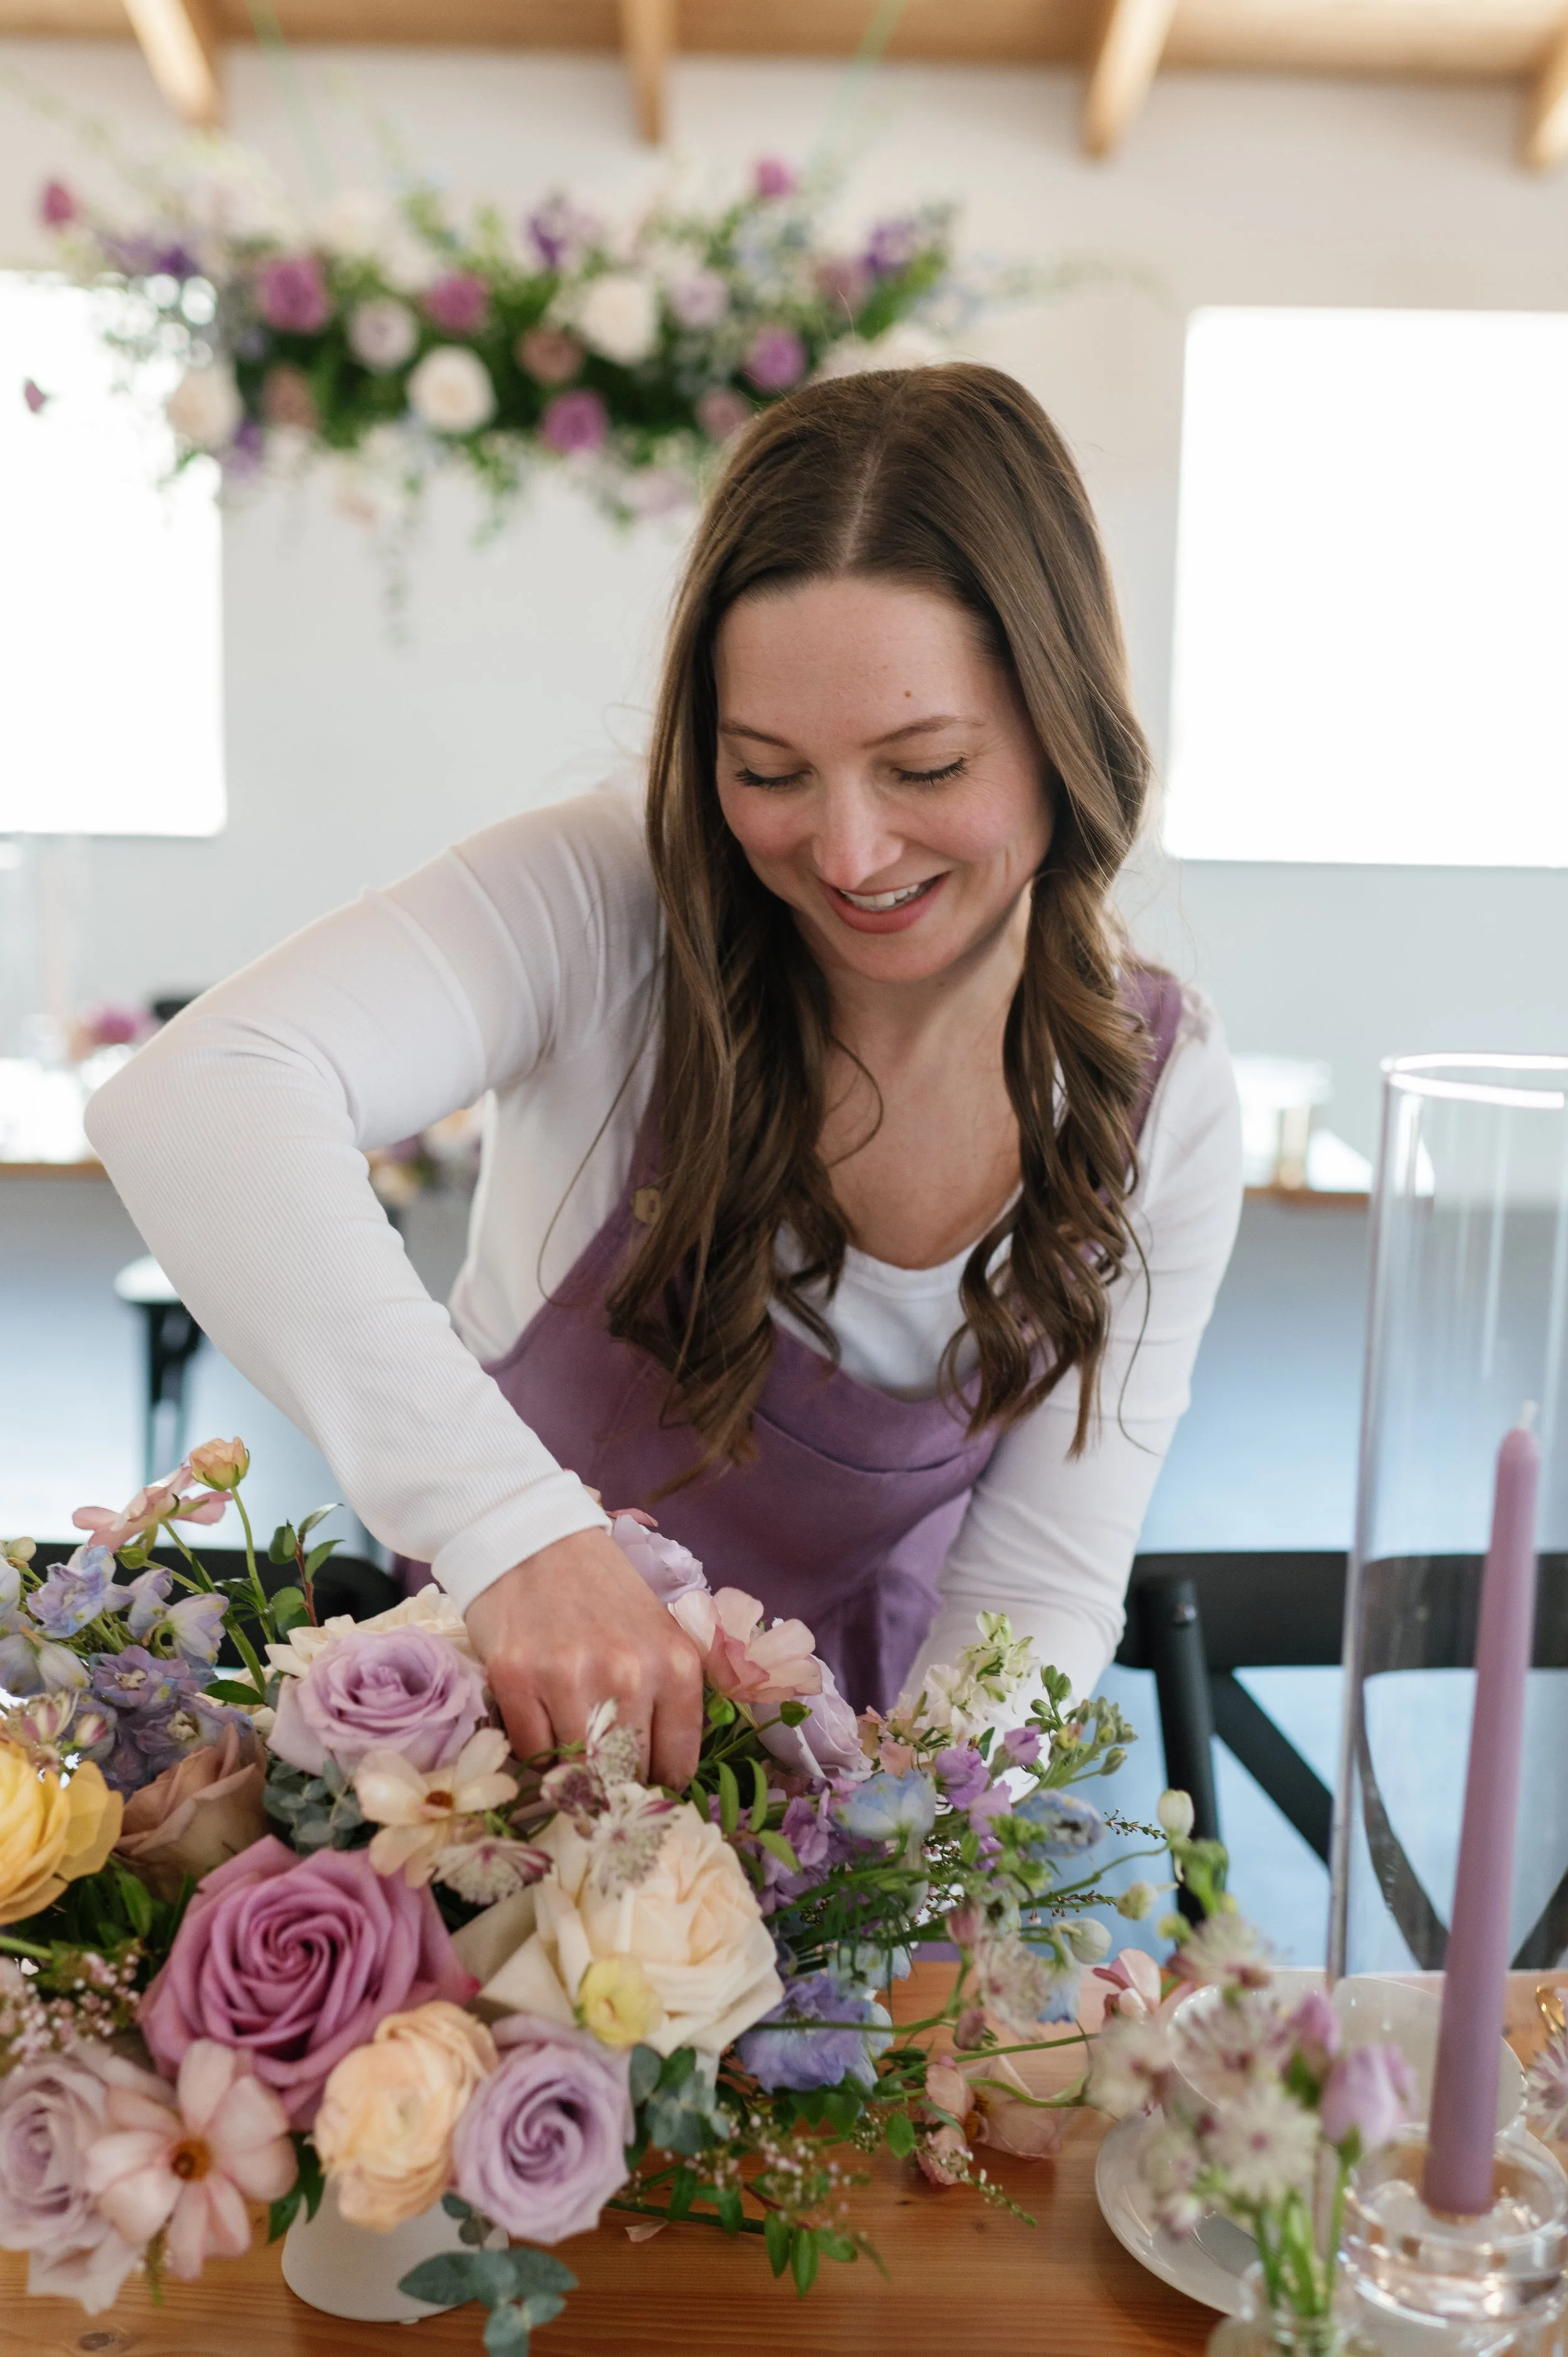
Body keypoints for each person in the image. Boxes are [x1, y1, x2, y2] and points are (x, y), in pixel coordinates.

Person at [89, 363, 1242, 1795]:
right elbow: (197, 1094)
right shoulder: (606, 898)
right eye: (769, 771)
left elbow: (1036, 1585)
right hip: (484, 1786)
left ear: (1067, 727)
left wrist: (910, 1853)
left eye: (925, 766)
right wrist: (516, 1529)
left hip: (869, 1774)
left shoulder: (1160, 1090)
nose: (848, 853)